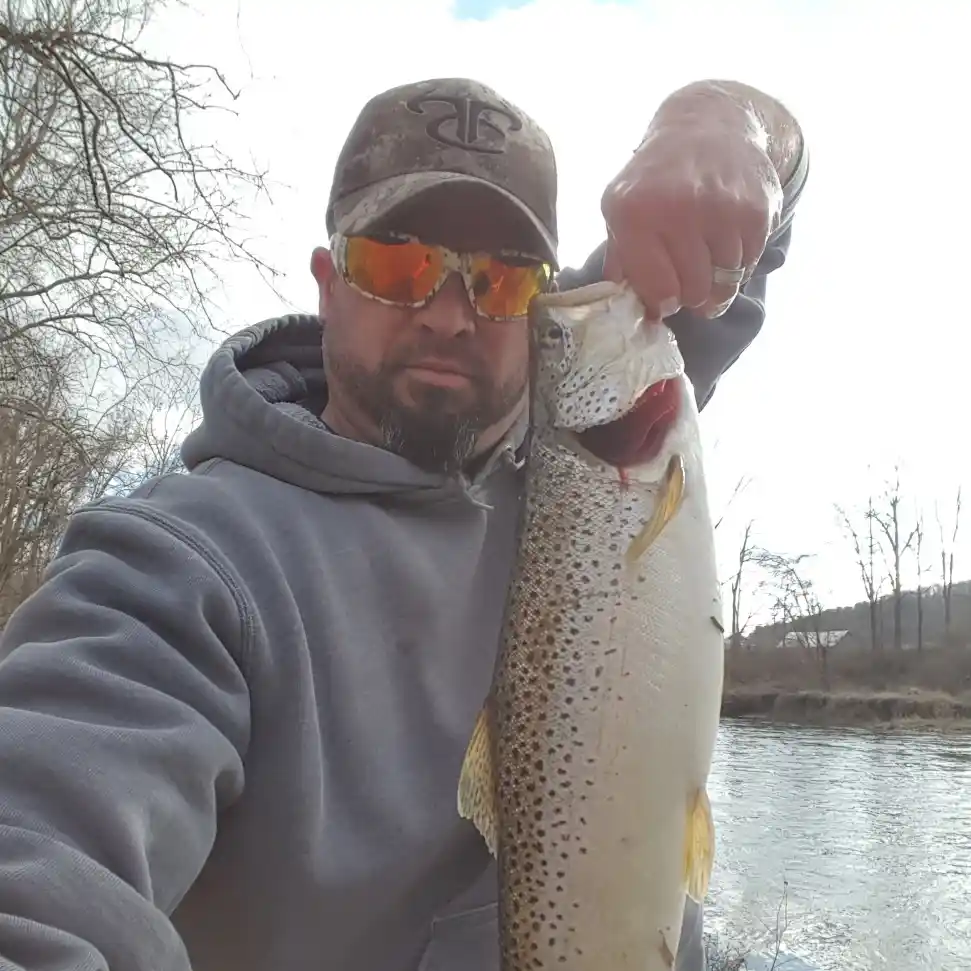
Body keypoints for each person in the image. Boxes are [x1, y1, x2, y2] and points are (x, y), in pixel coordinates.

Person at [0, 76, 808, 971]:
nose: (451, 314)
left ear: (538, 302)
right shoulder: (177, 564)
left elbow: (750, 218)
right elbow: (34, 856)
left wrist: (723, 124)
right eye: (398, 264)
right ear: (327, 282)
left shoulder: (593, 441)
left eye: (502, 279)